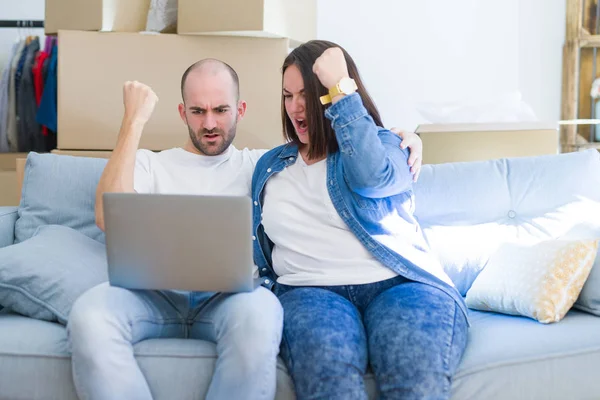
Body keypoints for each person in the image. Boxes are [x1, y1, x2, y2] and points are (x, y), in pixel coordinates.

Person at [66, 57, 425, 400]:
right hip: (150, 297)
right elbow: (105, 215)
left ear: (240, 111)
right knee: (89, 315)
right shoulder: (147, 164)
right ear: (182, 113)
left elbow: (341, 154)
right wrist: (133, 121)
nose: (209, 123)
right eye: (197, 111)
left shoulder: (264, 165)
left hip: (231, 300)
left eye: (220, 110)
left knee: (263, 314)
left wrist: (401, 138)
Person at [251, 41, 469, 400]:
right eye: (288, 96)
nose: (295, 107)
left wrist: (341, 85)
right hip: (309, 292)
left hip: (400, 286)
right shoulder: (270, 166)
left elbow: (371, 177)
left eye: (307, 94)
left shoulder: (385, 145)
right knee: (330, 386)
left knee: (414, 384)